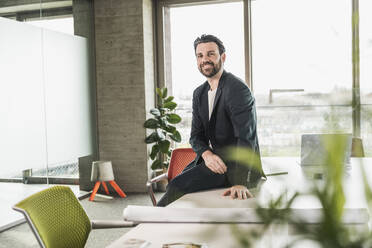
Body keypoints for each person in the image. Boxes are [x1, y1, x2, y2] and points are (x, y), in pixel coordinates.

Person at [156, 34, 264, 207]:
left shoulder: (237, 89)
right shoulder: (199, 93)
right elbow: (195, 136)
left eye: (211, 54)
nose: (205, 60)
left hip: (234, 165)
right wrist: (207, 155)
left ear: (223, 57)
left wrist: (241, 181)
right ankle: (154, 222)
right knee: (176, 186)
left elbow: (246, 137)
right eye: (200, 56)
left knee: (177, 185)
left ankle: (147, 223)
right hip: (213, 160)